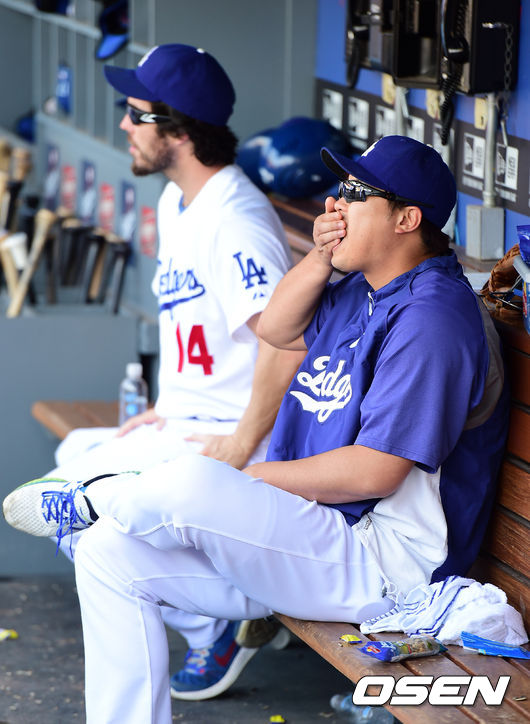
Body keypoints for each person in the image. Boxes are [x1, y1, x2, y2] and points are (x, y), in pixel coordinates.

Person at [4, 136, 509, 724]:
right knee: (105, 554)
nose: (336, 204)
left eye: (356, 193)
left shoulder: (433, 318)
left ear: (407, 219)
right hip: (322, 532)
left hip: (387, 562)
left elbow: (375, 471)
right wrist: (320, 258)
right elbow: (275, 328)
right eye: (340, 188)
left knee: (196, 480)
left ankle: (99, 498)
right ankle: (107, 513)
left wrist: (251, 478)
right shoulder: (364, 287)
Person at [37, 44, 304, 697]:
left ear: (179, 131)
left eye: (136, 114)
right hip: (188, 416)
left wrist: (240, 442)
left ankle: (217, 618)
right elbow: (197, 326)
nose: (124, 125)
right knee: (69, 461)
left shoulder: (236, 220)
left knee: (66, 503)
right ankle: (210, 618)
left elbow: (285, 344)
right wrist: (166, 402)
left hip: (229, 432)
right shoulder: (176, 201)